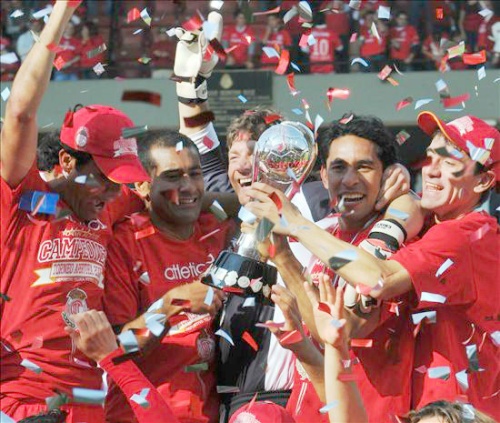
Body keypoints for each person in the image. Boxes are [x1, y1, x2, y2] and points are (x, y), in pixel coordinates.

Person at [245, 111, 500, 420]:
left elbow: (374, 284)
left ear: (484, 180)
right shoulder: (418, 226)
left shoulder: (467, 234)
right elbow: (413, 206)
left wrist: (295, 227)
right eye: (431, 158)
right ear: (323, 174)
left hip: (456, 413)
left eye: (450, 163)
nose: (432, 171)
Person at [1, 2, 150, 421]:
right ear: (67, 163)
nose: (110, 189)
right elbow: (19, 113)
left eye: (120, 178)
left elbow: (178, 199)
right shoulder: (25, 199)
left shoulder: (109, 203)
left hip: (87, 403)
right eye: (102, 175)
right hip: (23, 399)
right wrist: (62, 14)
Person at [247, 114, 423, 423]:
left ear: (388, 176)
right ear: (324, 177)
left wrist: (285, 259)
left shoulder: (395, 247)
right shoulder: (324, 233)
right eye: (339, 167)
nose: (350, 179)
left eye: (364, 167)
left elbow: (345, 327)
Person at [103, 130, 235, 423]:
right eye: (173, 177)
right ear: (142, 185)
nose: (188, 186)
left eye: (195, 174)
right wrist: (171, 304)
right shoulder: (126, 242)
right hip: (140, 415)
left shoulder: (219, 230)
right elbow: (117, 349)